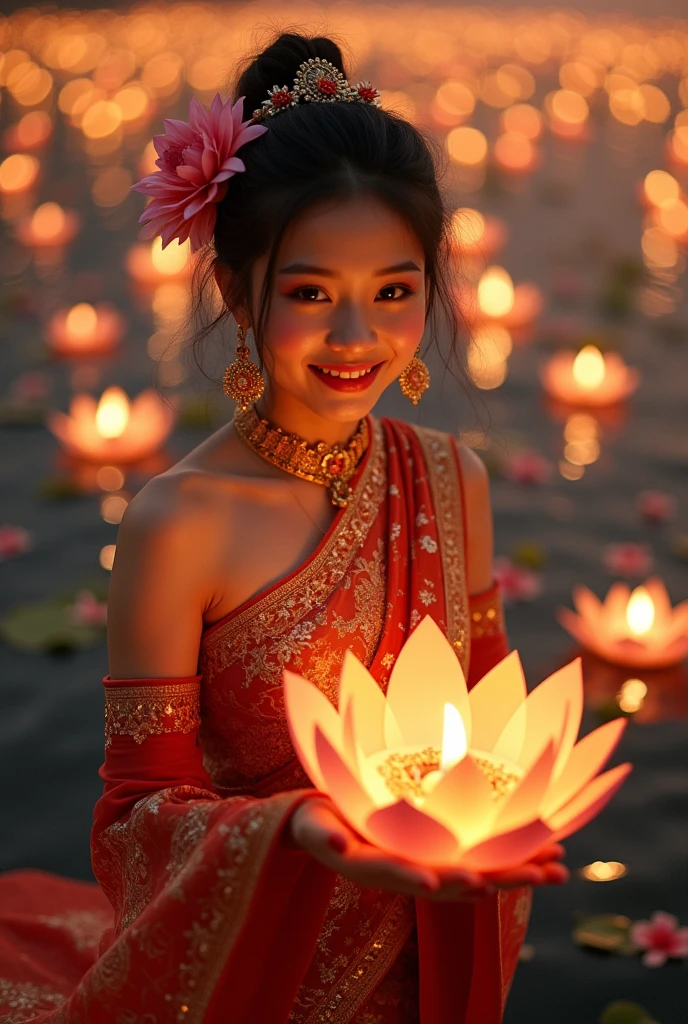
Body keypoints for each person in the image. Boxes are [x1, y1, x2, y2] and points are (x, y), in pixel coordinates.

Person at [0, 32, 569, 1024]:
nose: (357, 339)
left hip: (425, 947)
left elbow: (488, 734)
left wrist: (515, 821)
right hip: (254, 970)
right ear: (235, 289)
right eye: (312, 294)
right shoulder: (179, 522)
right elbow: (138, 822)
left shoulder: (451, 480)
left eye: (393, 292)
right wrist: (296, 830)